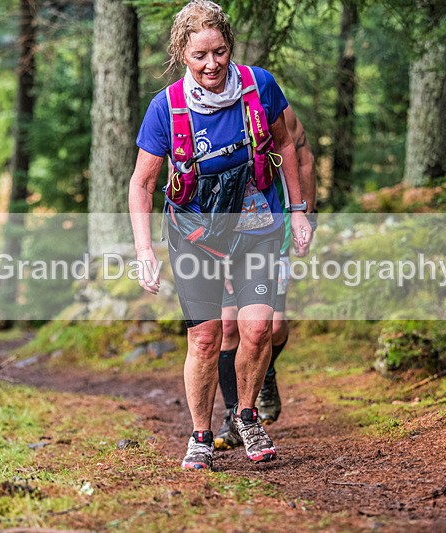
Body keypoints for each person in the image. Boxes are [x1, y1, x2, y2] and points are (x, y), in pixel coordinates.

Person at [128, 0, 311, 470]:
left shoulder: (259, 85)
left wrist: (299, 210)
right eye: (200, 55)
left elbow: (287, 143)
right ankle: (200, 437)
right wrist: (144, 250)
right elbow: (142, 183)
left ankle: (246, 417)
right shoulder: (165, 108)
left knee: (256, 328)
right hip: (195, 235)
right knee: (206, 339)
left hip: (257, 225)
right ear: (181, 55)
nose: (212, 64)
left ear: (230, 47)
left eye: (220, 52)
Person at [215, 106, 317, 450]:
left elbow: (304, 161)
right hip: (223, 227)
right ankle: (235, 416)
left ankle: (266, 373)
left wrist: (306, 217)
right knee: (228, 325)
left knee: (271, 327)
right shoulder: (205, 117)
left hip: (274, 226)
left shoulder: (277, 113)